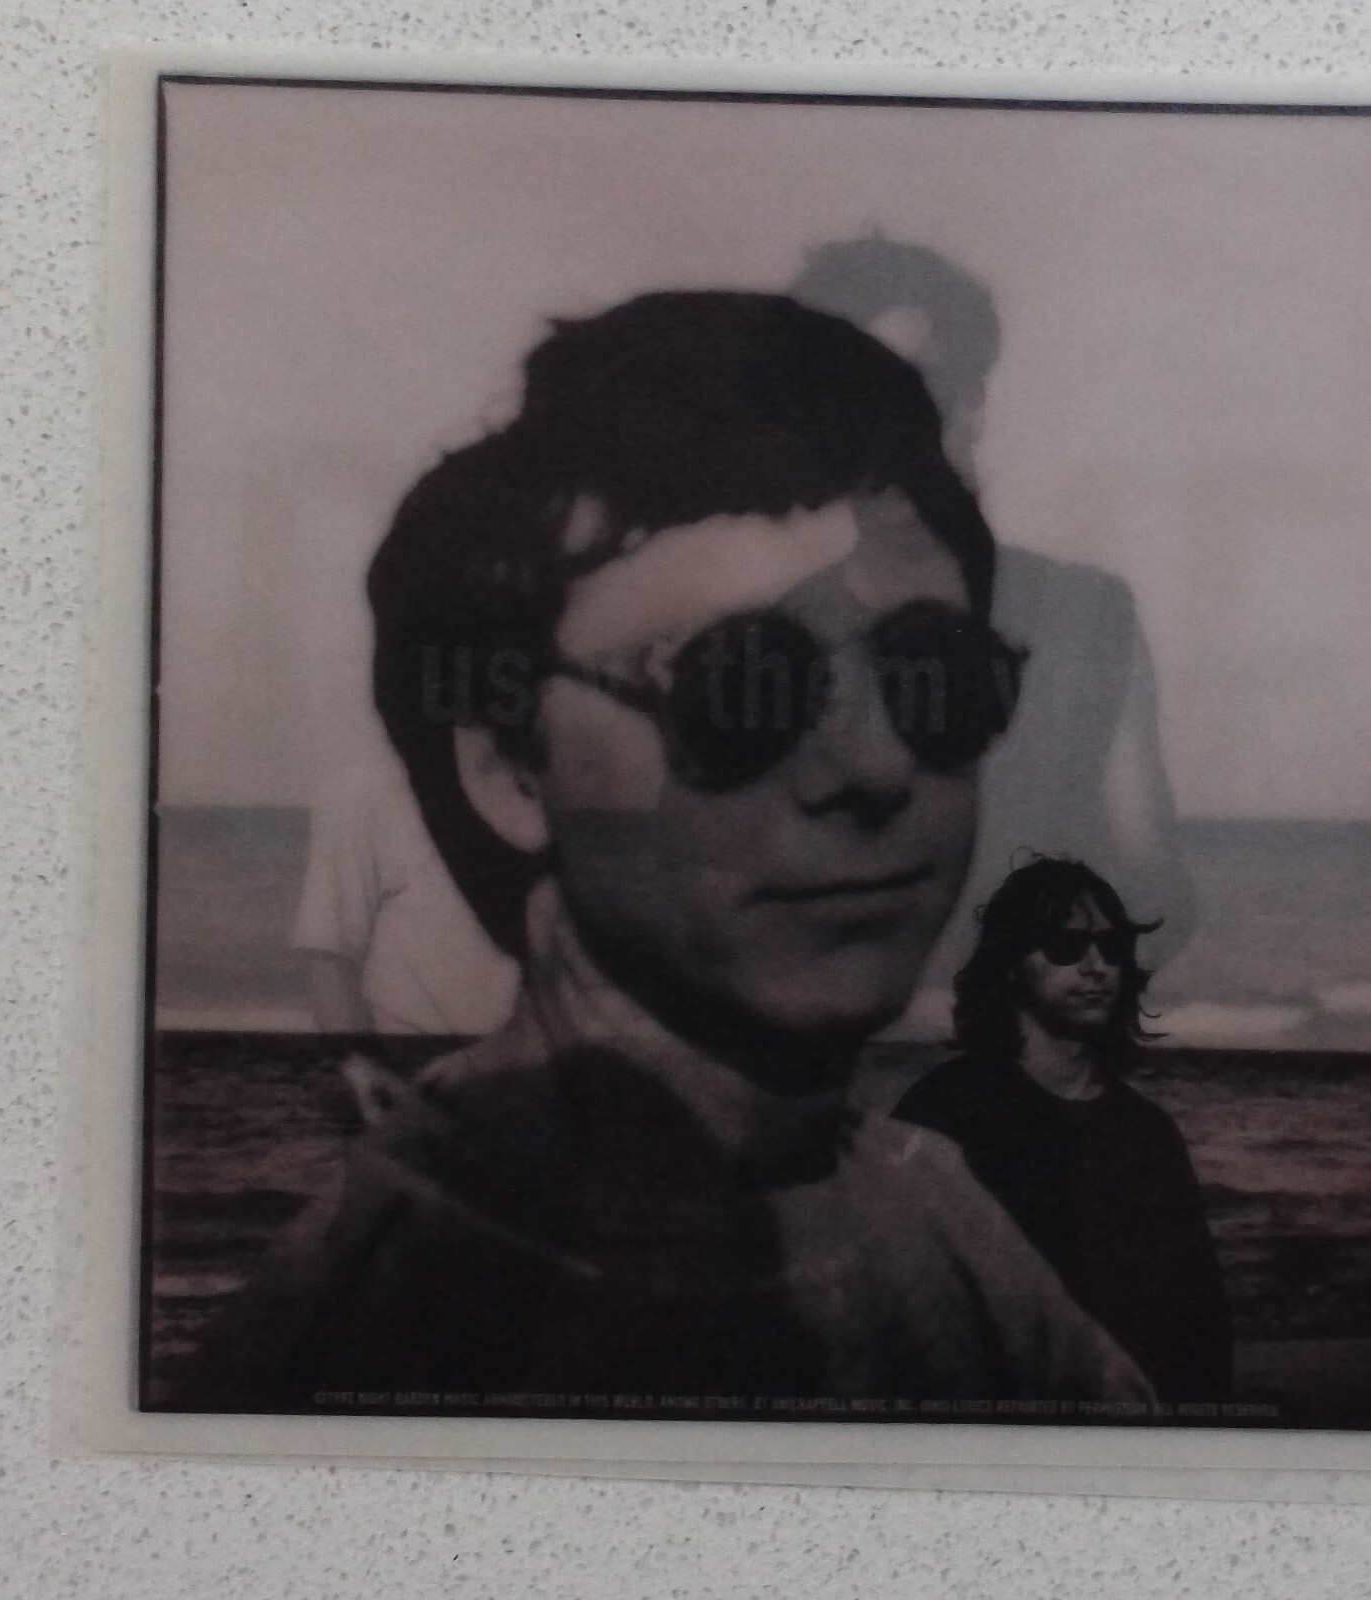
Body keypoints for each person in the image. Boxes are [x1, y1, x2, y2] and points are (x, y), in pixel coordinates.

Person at [181, 291, 1153, 1415]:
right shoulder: (407, 1312)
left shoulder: (928, 1216)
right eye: (742, 687)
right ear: (511, 768)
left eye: (935, 681)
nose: (876, 765)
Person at [790, 239, 1195, 1013]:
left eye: (919, 393)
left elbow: (1157, 894)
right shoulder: (779, 638)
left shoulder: (1086, 615)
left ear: (974, 406)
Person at [895, 856, 1232, 1402]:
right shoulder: (944, 1112)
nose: (1096, 965)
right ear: (1011, 964)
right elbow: (898, 1308)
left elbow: (1200, 1317)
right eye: (1065, 946)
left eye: (1112, 947)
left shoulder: (1148, 1134)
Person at [291, 756, 520, 1034]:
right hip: (416, 1049)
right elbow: (328, 961)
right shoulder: (360, 792)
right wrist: (355, 1058)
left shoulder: (538, 792)